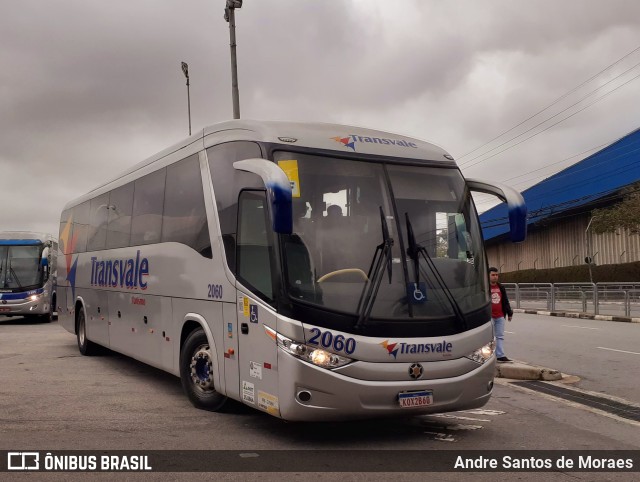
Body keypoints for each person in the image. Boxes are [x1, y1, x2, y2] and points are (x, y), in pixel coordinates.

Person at [489, 267, 513, 362]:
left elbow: (505, 301)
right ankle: (488, 356)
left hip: (500, 316)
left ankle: (500, 355)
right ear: (488, 276)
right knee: (490, 337)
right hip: (488, 316)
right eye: (493, 275)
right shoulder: (484, 288)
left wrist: (509, 313)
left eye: (496, 275)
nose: (495, 277)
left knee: (500, 336)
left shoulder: (501, 287)